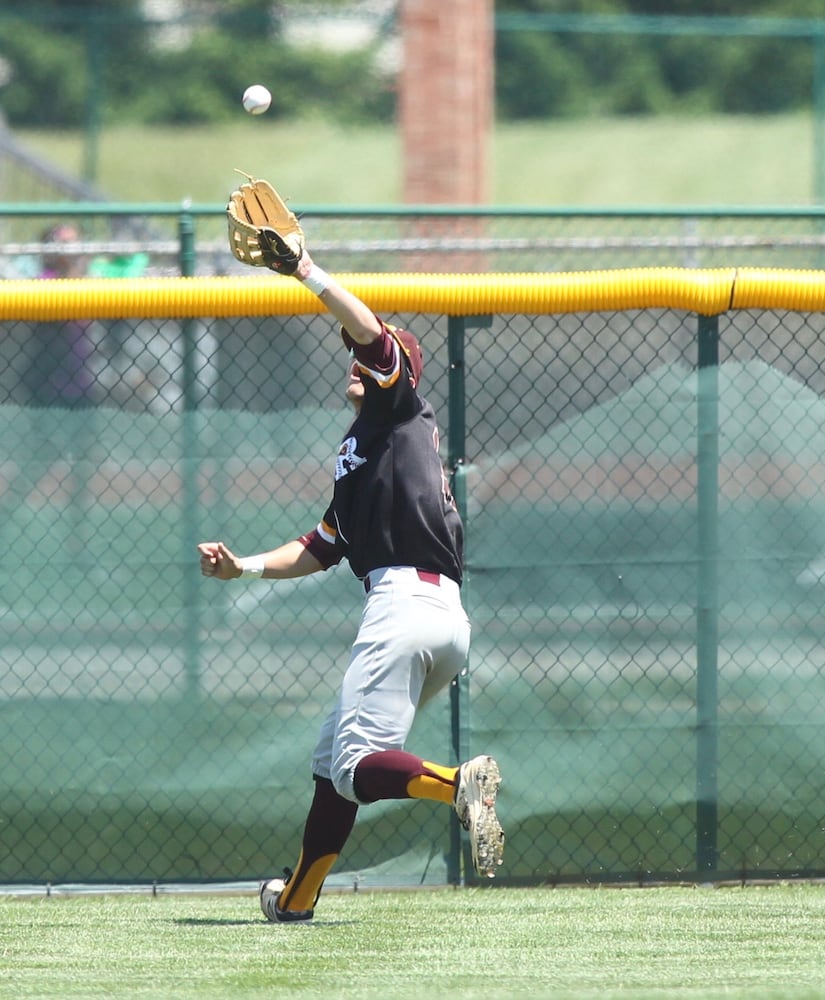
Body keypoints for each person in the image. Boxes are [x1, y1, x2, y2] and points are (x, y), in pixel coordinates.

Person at [196, 206, 503, 922]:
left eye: (368, 356)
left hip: (402, 609)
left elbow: (369, 330)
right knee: (333, 766)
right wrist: (241, 566)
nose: (355, 359)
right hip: (438, 619)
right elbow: (320, 546)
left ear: (395, 369)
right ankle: (295, 900)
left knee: (354, 765)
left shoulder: (399, 410)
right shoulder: (366, 453)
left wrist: (303, 269)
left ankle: (458, 782)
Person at [0, 223, 101, 572]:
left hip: (80, 386)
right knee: (43, 458)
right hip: (48, 386)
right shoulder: (46, 284)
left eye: (76, 245)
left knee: (83, 470)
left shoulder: (88, 282)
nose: (73, 252)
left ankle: (78, 548)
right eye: (64, 246)